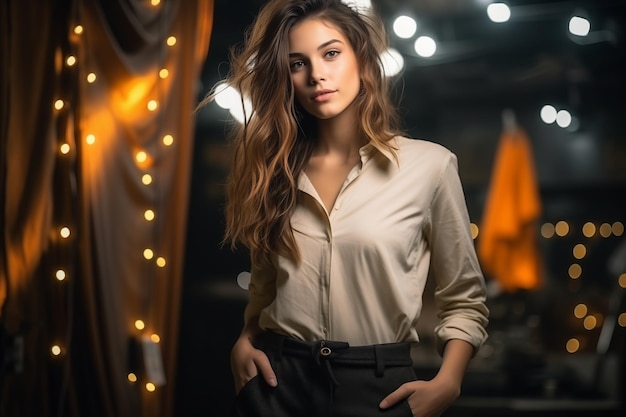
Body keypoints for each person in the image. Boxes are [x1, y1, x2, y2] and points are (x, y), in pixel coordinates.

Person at [201, 0, 489, 416]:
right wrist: (244, 341)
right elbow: (264, 290)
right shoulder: (274, 172)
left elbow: (464, 298)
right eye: (297, 62)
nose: (316, 74)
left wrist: (449, 382)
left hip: (378, 387)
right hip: (278, 382)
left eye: (331, 53)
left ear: (363, 60)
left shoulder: (430, 167)